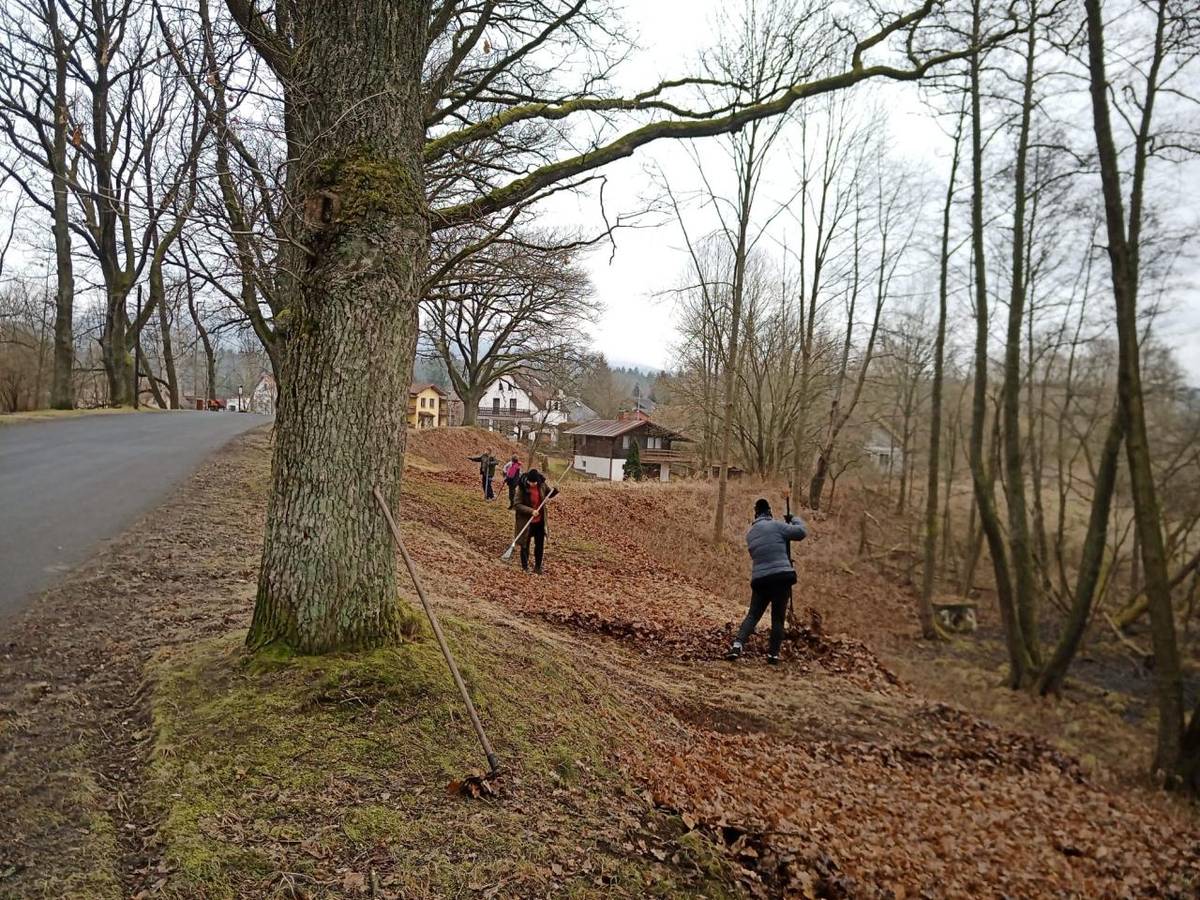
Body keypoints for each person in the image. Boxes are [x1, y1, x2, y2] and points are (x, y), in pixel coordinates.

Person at [725, 498, 808, 664]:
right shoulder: (777, 526)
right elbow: (800, 532)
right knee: (777, 618)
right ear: (769, 511)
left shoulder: (750, 534)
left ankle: (737, 644)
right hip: (781, 578)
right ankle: (773, 655)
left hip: (761, 579)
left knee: (753, 614)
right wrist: (793, 519)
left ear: (755, 513)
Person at [513, 468, 557, 573]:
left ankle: (537, 567)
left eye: (534, 482)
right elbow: (517, 504)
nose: (533, 484)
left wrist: (554, 491)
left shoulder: (541, 485)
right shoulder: (522, 488)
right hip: (526, 522)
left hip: (539, 521)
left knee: (539, 545)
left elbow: (548, 493)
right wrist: (531, 511)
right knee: (525, 545)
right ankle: (525, 567)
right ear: (527, 480)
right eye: (531, 482)